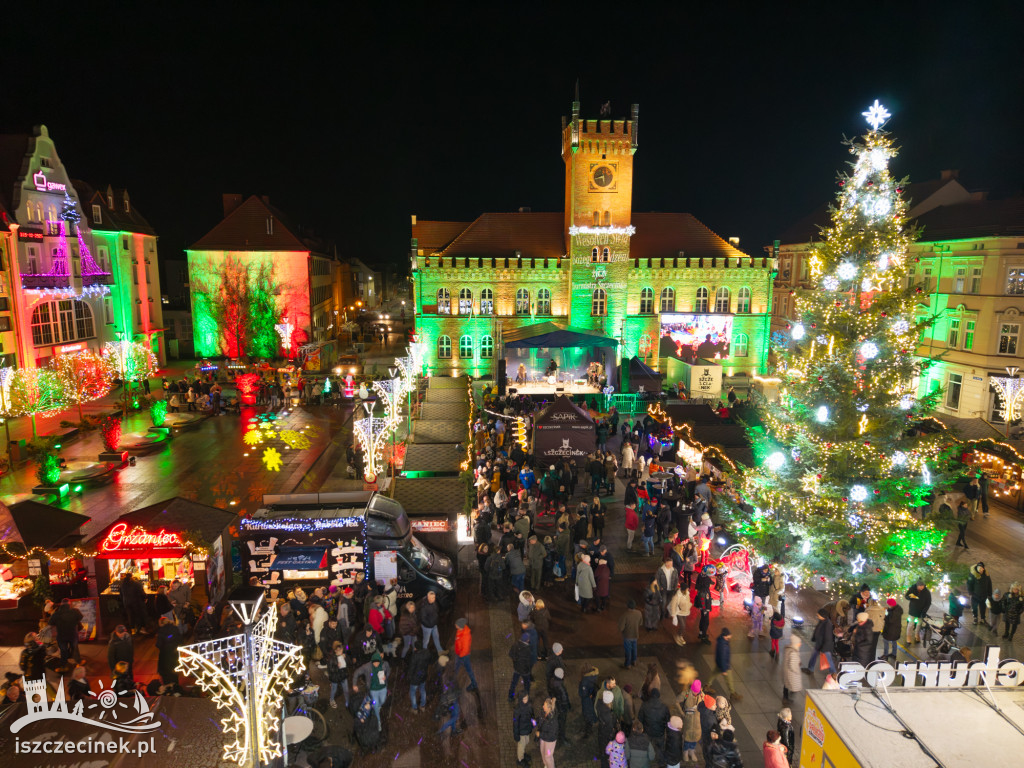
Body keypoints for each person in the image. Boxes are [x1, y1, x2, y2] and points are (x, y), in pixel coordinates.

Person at [50, 598, 83, 670]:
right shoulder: (74, 611)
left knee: (63, 650)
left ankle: (63, 666)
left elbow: (51, 622)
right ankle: (78, 662)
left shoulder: (56, 613)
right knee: (74, 648)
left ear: (61, 604)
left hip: (61, 635)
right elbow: (80, 617)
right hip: (72, 634)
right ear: (69, 604)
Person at [712, 628, 741, 701]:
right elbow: (723, 657)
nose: (731, 635)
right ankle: (732, 693)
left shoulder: (722, 640)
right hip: (724, 665)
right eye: (729, 634)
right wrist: (724, 669)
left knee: (714, 673)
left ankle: (707, 685)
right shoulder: (723, 645)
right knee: (729, 679)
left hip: (720, 663)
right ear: (725, 636)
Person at [155, 616, 182, 687]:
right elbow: (180, 639)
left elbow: (158, 644)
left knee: (166, 672)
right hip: (174, 652)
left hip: (165, 655)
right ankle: (176, 685)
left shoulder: (161, 631)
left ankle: (168, 686)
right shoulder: (174, 628)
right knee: (174, 669)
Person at [453, 617, 479, 691]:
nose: (455, 625)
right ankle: (453, 679)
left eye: (456, 624)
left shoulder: (465, 636)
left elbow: (465, 649)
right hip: (459, 654)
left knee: (468, 669)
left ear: (460, 626)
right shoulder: (460, 630)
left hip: (463, 656)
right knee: (458, 667)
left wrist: (460, 656)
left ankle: (474, 684)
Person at [904, 579, 932, 644]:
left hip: (921, 611)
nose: (922, 587)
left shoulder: (927, 592)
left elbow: (928, 603)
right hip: (913, 609)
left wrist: (924, 611)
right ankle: (908, 637)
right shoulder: (912, 588)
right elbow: (906, 596)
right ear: (917, 585)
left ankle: (917, 635)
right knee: (910, 624)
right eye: (920, 586)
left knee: (919, 624)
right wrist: (910, 597)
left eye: (923, 586)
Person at [367, 653, 389, 730]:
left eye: (377, 662)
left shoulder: (382, 667)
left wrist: (385, 677)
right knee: (375, 703)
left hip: (382, 688)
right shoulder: (370, 669)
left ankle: (378, 706)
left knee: (383, 700)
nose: (376, 664)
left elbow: (388, 672)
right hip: (374, 690)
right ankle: (378, 721)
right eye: (374, 662)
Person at [513, 692, 535, 768]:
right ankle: (520, 759)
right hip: (521, 731)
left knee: (526, 741)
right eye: (524, 698)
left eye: (527, 698)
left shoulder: (529, 706)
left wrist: (533, 723)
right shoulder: (518, 710)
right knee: (521, 745)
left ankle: (523, 754)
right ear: (521, 699)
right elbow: (515, 724)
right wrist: (516, 734)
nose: (526, 700)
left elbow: (532, 715)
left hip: (527, 729)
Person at [327, 641, 351, 709]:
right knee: (334, 689)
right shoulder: (332, 658)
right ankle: (331, 700)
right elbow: (330, 670)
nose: (341, 651)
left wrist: (346, 658)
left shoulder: (343, 656)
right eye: (339, 650)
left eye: (341, 649)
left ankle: (348, 702)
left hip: (343, 676)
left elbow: (349, 663)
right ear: (335, 651)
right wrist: (337, 666)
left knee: (346, 689)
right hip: (335, 677)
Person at [967, 562, 993, 626]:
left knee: (983, 607)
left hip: (984, 595)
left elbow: (989, 584)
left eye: (981, 569)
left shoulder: (986, 575)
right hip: (975, 595)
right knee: (974, 607)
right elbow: (969, 584)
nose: (980, 570)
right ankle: (975, 618)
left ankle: (983, 619)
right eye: (979, 568)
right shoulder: (973, 574)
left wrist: (989, 594)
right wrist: (971, 593)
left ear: (983, 569)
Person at [537, 697, 559, 768]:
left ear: (549, 708)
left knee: (548, 756)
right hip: (543, 738)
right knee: (542, 751)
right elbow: (540, 720)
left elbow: (551, 735)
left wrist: (540, 734)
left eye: (544, 706)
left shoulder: (553, 721)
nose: (543, 706)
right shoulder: (543, 712)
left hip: (550, 741)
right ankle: (546, 764)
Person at [781, 637, 802, 705]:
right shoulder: (793, 652)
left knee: (786, 685)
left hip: (786, 671)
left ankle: (786, 697)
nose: (800, 644)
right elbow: (792, 664)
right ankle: (786, 698)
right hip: (791, 673)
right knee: (790, 685)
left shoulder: (789, 649)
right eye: (799, 643)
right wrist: (797, 670)